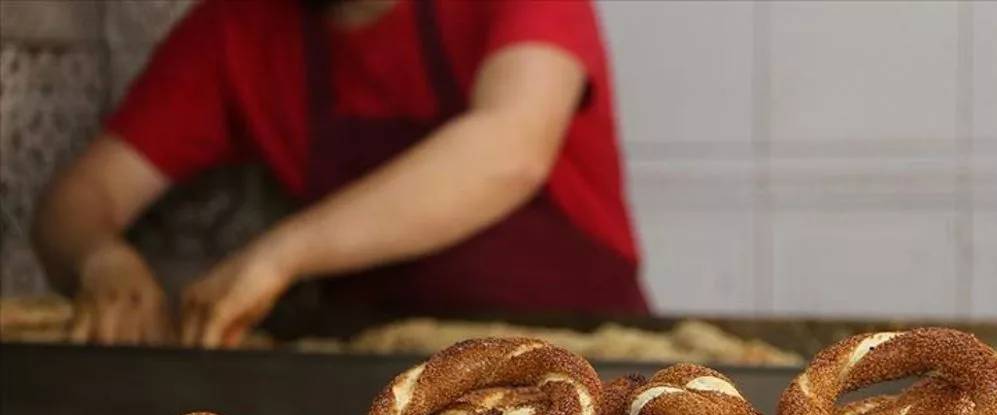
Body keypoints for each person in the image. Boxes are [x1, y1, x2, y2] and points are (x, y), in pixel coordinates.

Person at [33, 0, 648, 348]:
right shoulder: (235, 29)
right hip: (368, 392)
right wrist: (100, 261)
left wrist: (281, 255)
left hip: (578, 370)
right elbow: (80, 196)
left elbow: (509, 149)